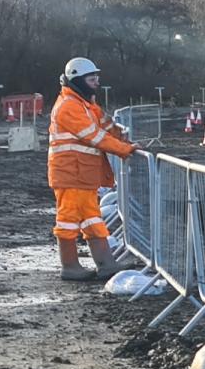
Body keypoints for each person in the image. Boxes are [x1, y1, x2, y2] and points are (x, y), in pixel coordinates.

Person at [49, 57, 140, 281]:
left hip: (81, 174)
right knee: (68, 219)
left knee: (92, 218)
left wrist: (121, 135)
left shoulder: (85, 105)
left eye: (97, 77)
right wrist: (124, 149)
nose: (96, 82)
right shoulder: (69, 107)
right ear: (77, 80)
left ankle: (106, 263)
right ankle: (70, 266)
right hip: (70, 174)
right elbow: (95, 137)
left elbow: (105, 124)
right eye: (92, 79)